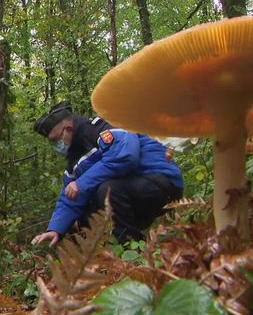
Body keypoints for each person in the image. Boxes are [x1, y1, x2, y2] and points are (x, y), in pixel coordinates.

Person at [30, 102, 183, 247]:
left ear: (69, 129)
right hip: (130, 192)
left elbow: (125, 156)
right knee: (78, 220)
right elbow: (70, 197)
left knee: (108, 190)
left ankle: (132, 254)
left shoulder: (102, 128)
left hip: (162, 183)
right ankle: (98, 263)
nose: (56, 146)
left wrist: (81, 184)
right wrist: (55, 229)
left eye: (56, 140)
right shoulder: (74, 159)